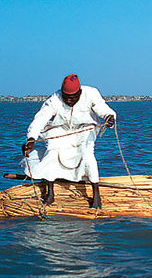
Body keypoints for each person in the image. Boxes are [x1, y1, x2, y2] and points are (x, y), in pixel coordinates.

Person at [22, 74, 116, 208]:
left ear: (80, 92)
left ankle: (96, 196)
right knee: (52, 152)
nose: (69, 100)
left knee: (87, 154)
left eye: (73, 97)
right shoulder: (55, 98)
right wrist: (31, 138)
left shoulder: (91, 93)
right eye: (66, 97)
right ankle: (50, 194)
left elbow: (103, 109)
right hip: (61, 130)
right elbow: (40, 119)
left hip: (84, 130)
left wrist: (109, 117)